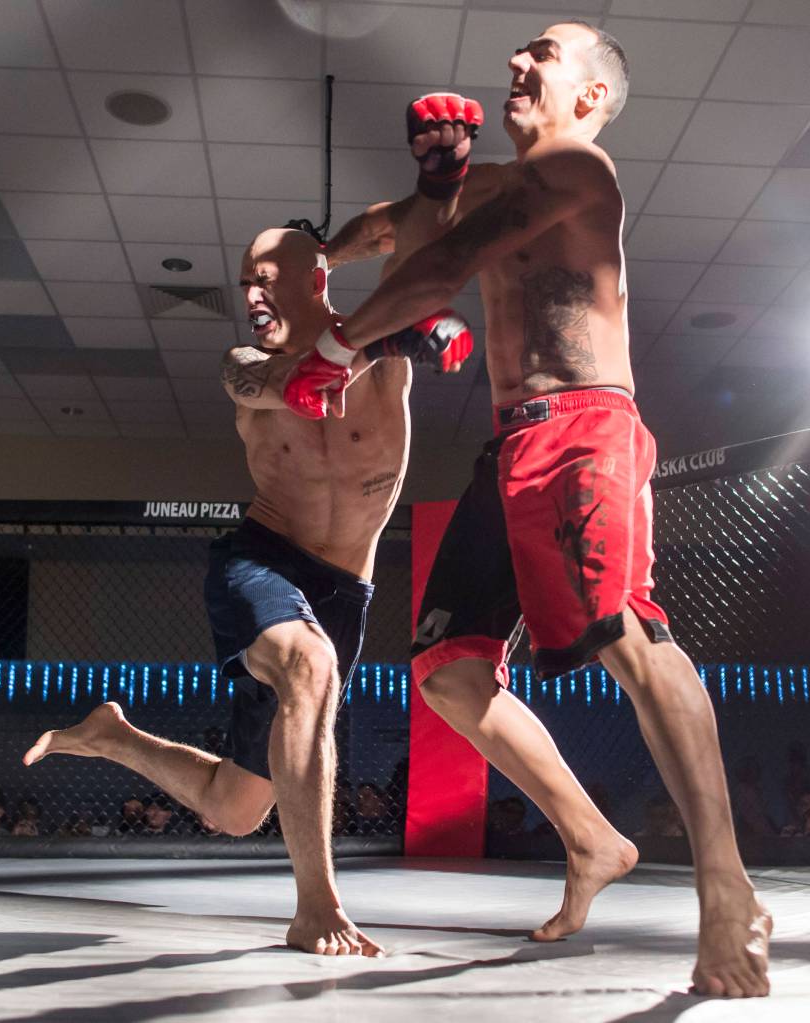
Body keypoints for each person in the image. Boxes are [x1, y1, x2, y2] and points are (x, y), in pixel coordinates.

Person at [283, 21, 772, 997]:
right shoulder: (499, 185)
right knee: (447, 673)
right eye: (521, 51)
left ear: (588, 97)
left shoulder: (577, 170)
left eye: (544, 56)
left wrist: (335, 349)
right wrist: (327, 252)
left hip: (583, 429)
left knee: (627, 637)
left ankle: (726, 887)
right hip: (507, 451)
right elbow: (407, 230)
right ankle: (593, 839)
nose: (518, 62)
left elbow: (438, 265)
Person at [23, 226, 474, 958]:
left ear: (317, 280)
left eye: (267, 276)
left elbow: (424, 253)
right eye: (244, 283)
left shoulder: (390, 365)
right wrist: (386, 342)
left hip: (343, 591)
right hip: (261, 561)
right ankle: (316, 903)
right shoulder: (245, 365)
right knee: (309, 666)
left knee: (234, 809)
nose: (252, 295)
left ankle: (114, 735)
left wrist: (440, 167)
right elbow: (289, 387)